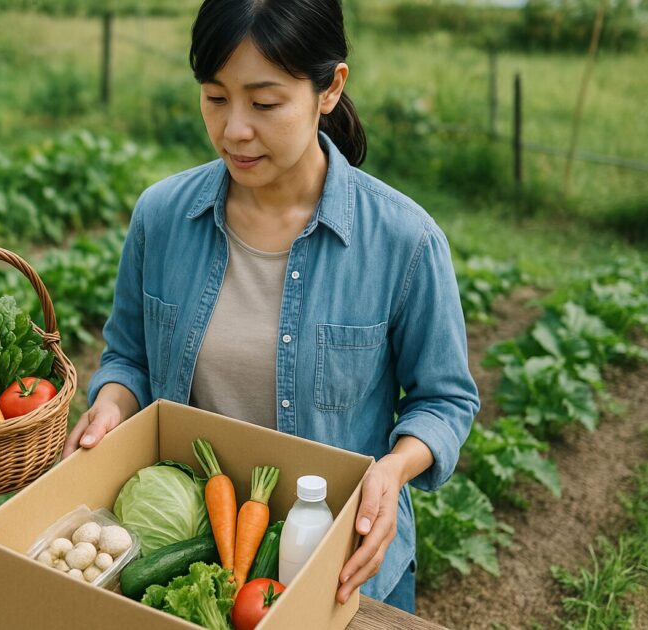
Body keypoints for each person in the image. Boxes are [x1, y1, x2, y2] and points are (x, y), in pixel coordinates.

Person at [61, 0, 479, 614]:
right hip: (189, 560)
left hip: (342, 568)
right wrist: (110, 405)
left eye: (263, 103)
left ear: (329, 89)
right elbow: (130, 358)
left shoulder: (403, 241)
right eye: (215, 97)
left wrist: (392, 469)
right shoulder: (162, 216)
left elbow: (444, 400)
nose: (234, 129)